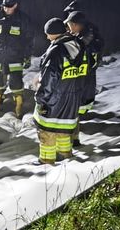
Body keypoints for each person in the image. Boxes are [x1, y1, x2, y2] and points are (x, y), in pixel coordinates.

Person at [33, 18, 88, 164]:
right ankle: (66, 157)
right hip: (72, 98)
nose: (46, 37)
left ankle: (46, 161)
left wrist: (41, 100)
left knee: (47, 132)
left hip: (54, 100)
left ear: (54, 33)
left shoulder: (56, 51)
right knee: (64, 131)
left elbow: (49, 79)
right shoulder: (79, 46)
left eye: (48, 34)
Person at [0, 0, 34, 117]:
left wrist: (27, 56)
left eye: (10, 7)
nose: (7, 9)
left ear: (16, 5)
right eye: (5, 7)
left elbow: (29, 39)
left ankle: (18, 106)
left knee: (16, 83)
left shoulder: (23, 19)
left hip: (16, 56)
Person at [64, 6, 104, 145]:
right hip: (83, 77)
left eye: (69, 26)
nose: (68, 29)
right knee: (75, 110)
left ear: (76, 25)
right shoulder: (85, 33)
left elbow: (78, 50)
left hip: (83, 78)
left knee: (75, 108)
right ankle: (75, 136)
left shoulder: (87, 37)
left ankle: (74, 139)